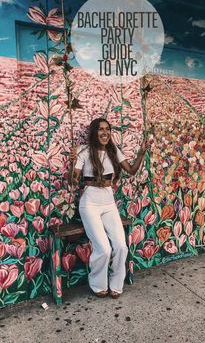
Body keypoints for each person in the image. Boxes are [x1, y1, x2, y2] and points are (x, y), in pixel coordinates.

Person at [70, 118, 149, 299]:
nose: (104, 132)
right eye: (100, 129)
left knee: (121, 246)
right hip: (89, 203)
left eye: (107, 129)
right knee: (104, 249)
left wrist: (142, 153)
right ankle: (98, 284)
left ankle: (116, 283)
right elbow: (73, 181)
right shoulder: (83, 152)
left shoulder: (114, 151)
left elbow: (131, 170)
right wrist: (72, 164)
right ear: (94, 132)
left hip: (108, 203)